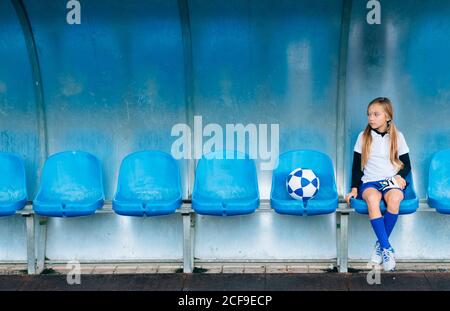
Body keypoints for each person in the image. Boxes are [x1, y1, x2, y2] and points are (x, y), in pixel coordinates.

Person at [345, 97, 411, 272]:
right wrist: (353, 189)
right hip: (370, 182)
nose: (371, 118)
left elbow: (407, 165)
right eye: (369, 114)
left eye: (376, 114)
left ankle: (380, 246)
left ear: (388, 116)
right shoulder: (363, 136)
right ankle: (387, 248)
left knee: (395, 198)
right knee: (373, 200)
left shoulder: (398, 136)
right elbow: (356, 167)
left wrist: (399, 177)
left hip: (390, 181)